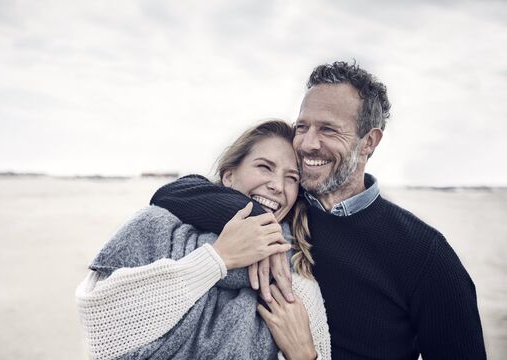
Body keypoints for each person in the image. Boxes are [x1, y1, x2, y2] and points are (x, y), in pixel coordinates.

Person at [151, 61, 487, 359]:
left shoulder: (425, 255)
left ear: (368, 142)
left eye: (328, 129)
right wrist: (258, 221)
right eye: (302, 127)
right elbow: (173, 193)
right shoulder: (284, 207)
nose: (308, 143)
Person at [76, 120, 331, 360]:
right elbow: (99, 328)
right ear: (229, 175)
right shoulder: (155, 225)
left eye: (292, 178)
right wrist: (217, 259)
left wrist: (305, 356)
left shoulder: (294, 276)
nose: (277, 185)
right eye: (265, 167)